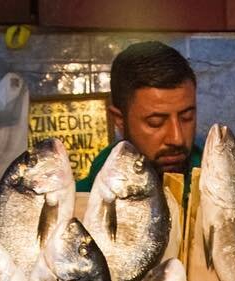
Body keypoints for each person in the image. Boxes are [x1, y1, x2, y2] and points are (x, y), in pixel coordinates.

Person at [77, 41, 200, 191]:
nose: (177, 138)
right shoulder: (75, 204)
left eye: (186, 117)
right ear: (119, 120)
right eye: (156, 122)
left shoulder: (230, 194)